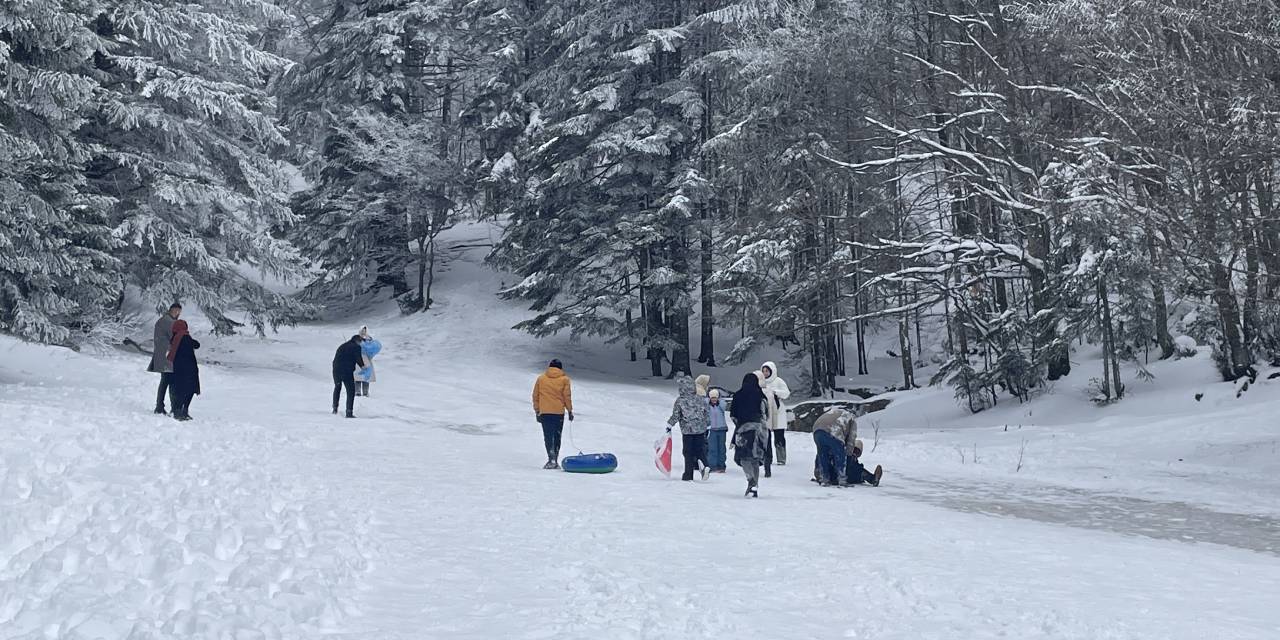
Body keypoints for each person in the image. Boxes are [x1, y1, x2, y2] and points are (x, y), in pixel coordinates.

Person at [729, 372, 770, 498]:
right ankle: (755, 485)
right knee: (755, 458)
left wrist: (740, 423)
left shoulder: (738, 395)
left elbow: (733, 415)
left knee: (744, 457)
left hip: (744, 429)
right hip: (760, 430)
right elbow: (766, 414)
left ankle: (751, 480)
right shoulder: (761, 395)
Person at [667, 374, 711, 481]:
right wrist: (708, 425)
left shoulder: (680, 401)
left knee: (688, 452)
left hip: (687, 431)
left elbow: (676, 415)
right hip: (700, 429)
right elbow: (706, 412)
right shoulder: (700, 399)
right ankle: (705, 465)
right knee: (699, 449)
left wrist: (669, 424)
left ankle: (688, 474)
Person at [533, 359, 574, 469]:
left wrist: (537, 411)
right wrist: (569, 410)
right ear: (560, 368)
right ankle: (555, 458)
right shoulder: (565, 379)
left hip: (545, 412)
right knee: (557, 436)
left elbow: (535, 396)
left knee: (548, 436)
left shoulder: (541, 379)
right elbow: (567, 397)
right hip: (558, 413)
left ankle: (551, 459)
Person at [147, 303, 182, 414]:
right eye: (175, 310)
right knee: (169, 382)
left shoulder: (165, 320)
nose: (177, 313)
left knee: (166, 381)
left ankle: (161, 406)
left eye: (179, 311)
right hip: (166, 356)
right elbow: (175, 337)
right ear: (170, 310)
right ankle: (168, 407)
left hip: (164, 354)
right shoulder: (168, 322)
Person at [166, 319, 201, 421]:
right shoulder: (186, 337)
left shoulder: (175, 338)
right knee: (189, 390)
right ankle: (184, 411)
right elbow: (197, 345)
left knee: (178, 390)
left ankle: (177, 411)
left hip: (177, 368)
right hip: (190, 368)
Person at [811, 407, 855, 486]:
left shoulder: (834, 412)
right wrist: (848, 454)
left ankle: (825, 479)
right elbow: (851, 438)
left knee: (823, 455)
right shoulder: (851, 418)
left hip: (817, 430)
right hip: (833, 430)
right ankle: (842, 479)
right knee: (840, 455)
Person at [760, 361, 792, 469]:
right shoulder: (761, 382)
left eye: (767, 371)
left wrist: (775, 392)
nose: (765, 373)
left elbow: (786, 393)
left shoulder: (778, 381)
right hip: (766, 412)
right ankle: (767, 456)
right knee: (766, 436)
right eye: (763, 371)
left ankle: (781, 458)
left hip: (778, 412)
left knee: (779, 436)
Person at [332, 334, 364, 418]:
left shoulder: (342, 346)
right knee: (350, 391)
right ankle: (349, 412)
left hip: (336, 370)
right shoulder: (356, 347)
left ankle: (335, 408)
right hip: (346, 371)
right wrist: (363, 367)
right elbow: (358, 358)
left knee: (337, 387)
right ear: (357, 341)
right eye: (360, 342)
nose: (361, 343)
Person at [706, 389, 730, 473]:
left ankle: (721, 465)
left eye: (715, 398)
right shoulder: (707, 405)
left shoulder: (721, 405)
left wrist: (720, 402)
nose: (714, 400)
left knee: (721, 448)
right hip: (711, 429)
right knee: (712, 448)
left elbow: (725, 407)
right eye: (712, 398)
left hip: (721, 429)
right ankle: (712, 465)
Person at [356, 326, 378, 397]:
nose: (363, 332)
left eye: (365, 330)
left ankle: (365, 392)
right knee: (358, 376)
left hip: (367, 359)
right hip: (358, 358)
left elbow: (372, 348)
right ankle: (357, 391)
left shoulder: (369, 339)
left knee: (366, 376)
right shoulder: (357, 339)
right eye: (362, 330)